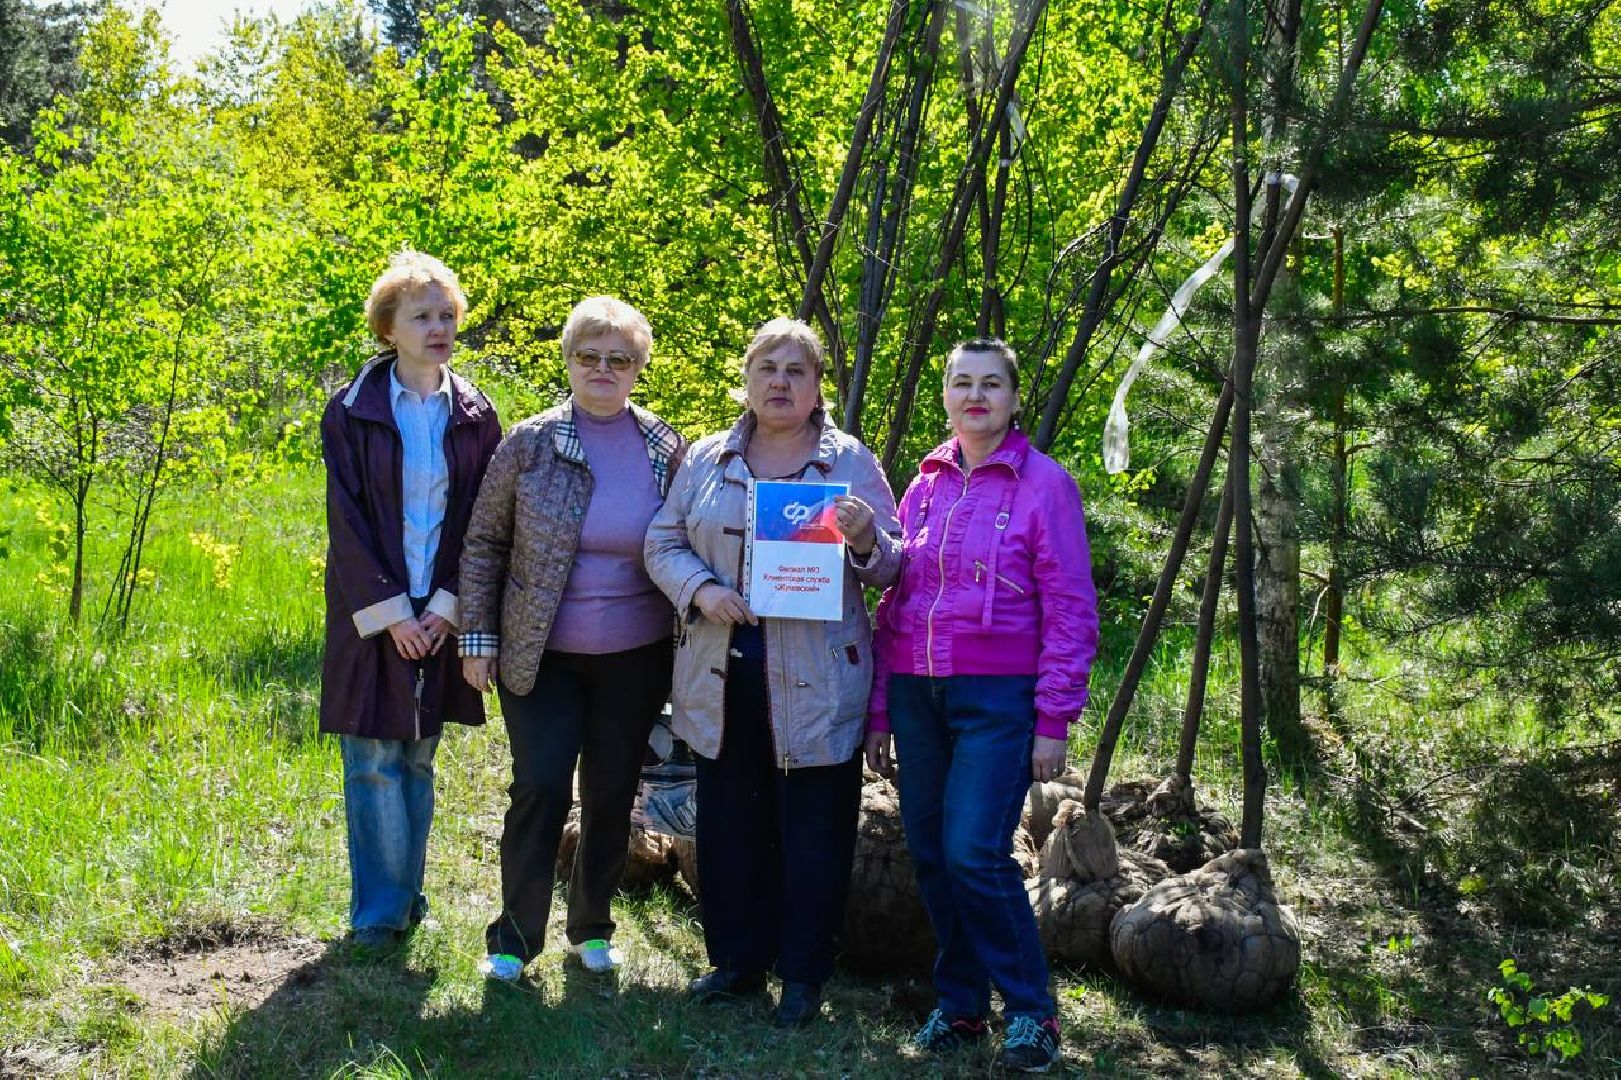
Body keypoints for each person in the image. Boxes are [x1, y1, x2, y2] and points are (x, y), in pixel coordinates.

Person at [644, 317, 900, 1027]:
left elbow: (893, 566)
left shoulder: (848, 461)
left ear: (819, 386)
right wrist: (702, 590)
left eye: (796, 370)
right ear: (747, 378)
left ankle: (802, 977)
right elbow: (661, 540)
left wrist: (863, 539)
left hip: (818, 683)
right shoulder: (705, 457)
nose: (780, 382)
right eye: (768, 368)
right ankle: (734, 963)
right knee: (729, 827)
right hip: (721, 674)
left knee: (812, 832)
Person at [865, 338, 1099, 1073]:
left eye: (990, 384)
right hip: (914, 691)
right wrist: (879, 708)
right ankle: (961, 1006)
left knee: (974, 850)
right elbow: (897, 596)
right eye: (961, 383)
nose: (975, 397)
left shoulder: (1044, 484)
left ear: (1013, 399)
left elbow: (1069, 608)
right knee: (933, 854)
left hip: (998, 699)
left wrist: (1053, 717)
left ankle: (1032, 1012)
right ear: (945, 395)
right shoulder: (925, 481)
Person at [459, 296, 686, 983]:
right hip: (540, 653)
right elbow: (484, 542)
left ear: (638, 369)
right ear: (567, 360)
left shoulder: (664, 447)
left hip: (636, 655)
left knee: (614, 791)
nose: (602, 369)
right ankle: (514, 939)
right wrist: (477, 637)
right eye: (588, 356)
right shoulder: (529, 443)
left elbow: (685, 539)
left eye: (619, 359)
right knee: (540, 786)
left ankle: (592, 928)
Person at [319, 250, 501, 956]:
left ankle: (404, 893)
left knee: (418, 756)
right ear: (386, 328)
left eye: (447, 314)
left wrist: (447, 607)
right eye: (421, 315)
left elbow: (484, 521)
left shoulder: (477, 414)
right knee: (371, 756)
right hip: (373, 612)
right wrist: (394, 613)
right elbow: (347, 519)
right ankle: (379, 914)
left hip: (442, 607)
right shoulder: (351, 412)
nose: (439, 327)